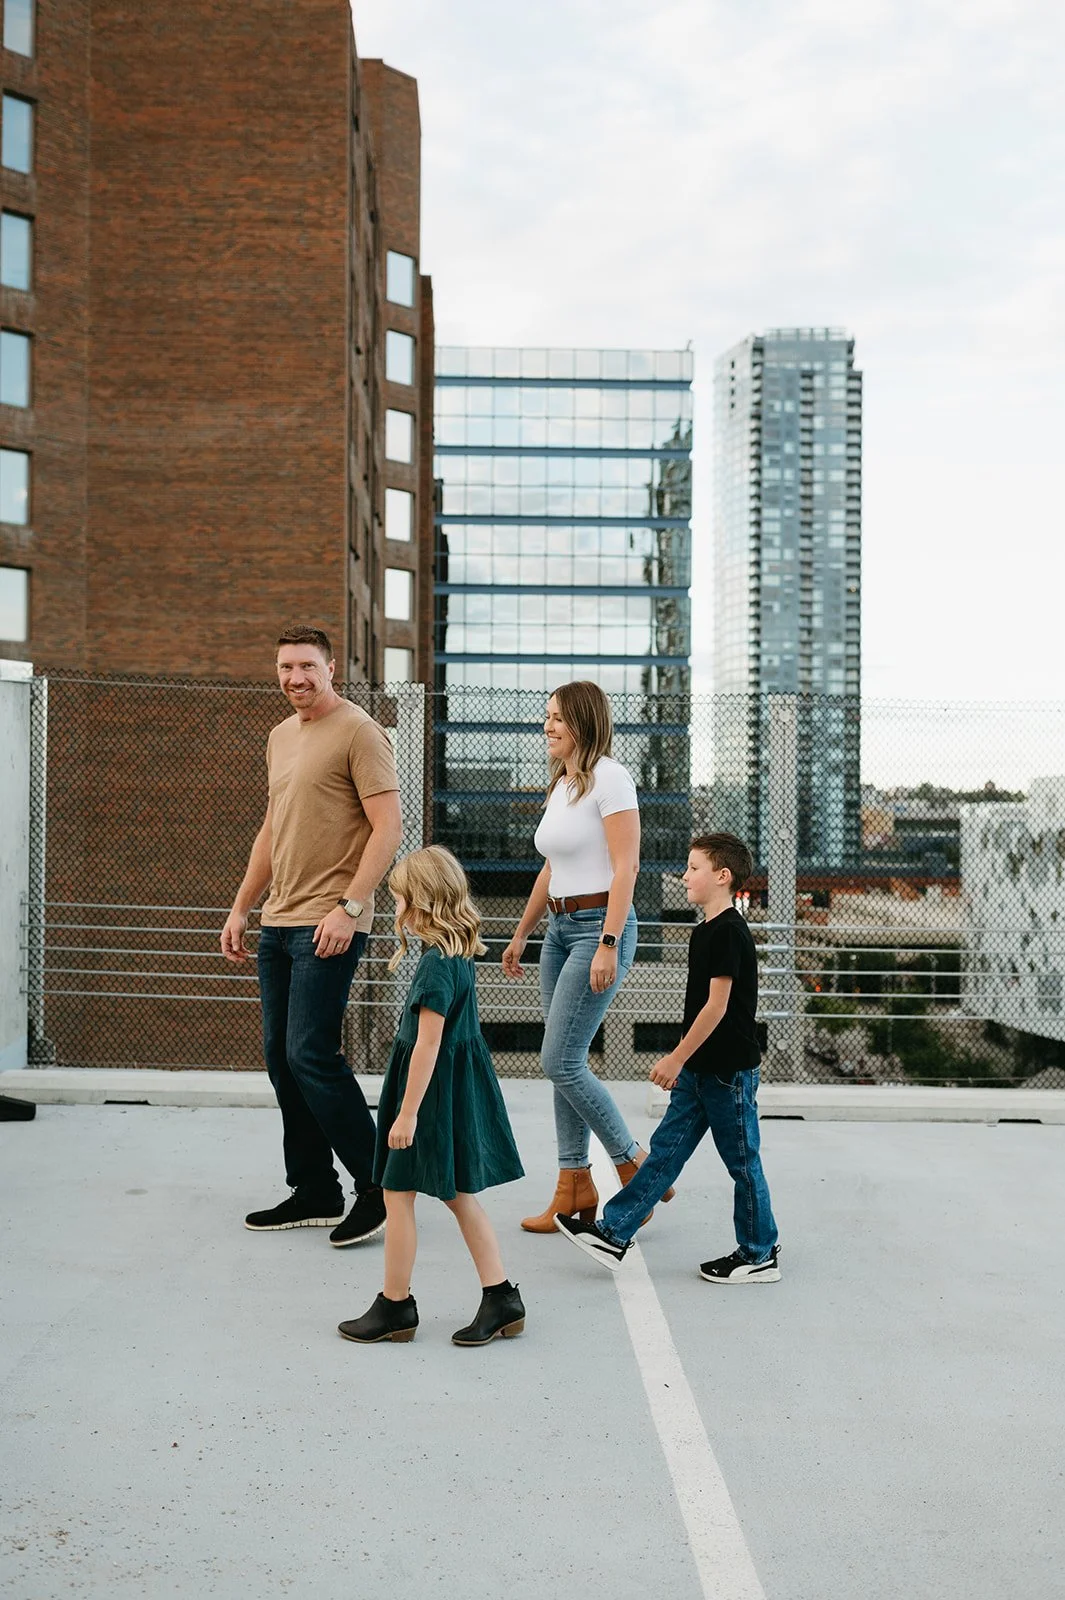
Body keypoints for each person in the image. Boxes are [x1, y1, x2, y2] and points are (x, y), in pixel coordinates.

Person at [221, 624, 403, 1247]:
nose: (295, 678)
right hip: (279, 920)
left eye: (306, 666)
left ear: (331, 668)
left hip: (330, 921)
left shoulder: (359, 731)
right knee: (281, 1058)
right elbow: (273, 830)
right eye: (285, 668)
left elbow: (388, 828)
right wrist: (242, 906)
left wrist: (351, 906)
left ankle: (378, 1188)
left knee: (310, 1054)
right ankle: (313, 1190)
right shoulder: (280, 737)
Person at [554, 832, 780, 1283]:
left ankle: (758, 1254)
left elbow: (717, 1007)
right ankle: (614, 1232)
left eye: (693, 868)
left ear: (722, 876)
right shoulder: (704, 931)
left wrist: (676, 1057)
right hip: (701, 1070)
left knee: (742, 1162)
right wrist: (686, 1062)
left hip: (728, 1073)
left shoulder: (730, 932)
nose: (684, 876)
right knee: (664, 1154)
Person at [338, 847, 525, 1346]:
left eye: (399, 900)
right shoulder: (456, 955)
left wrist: (406, 1114)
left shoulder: (435, 967)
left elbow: (428, 1043)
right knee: (458, 1194)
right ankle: (501, 1296)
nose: (396, 909)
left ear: (420, 904)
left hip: (429, 1098)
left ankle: (395, 1306)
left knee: (398, 1195)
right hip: (444, 1094)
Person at [501, 681, 669, 1232]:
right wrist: (522, 932)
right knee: (562, 1063)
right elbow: (551, 868)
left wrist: (609, 943)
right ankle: (572, 1188)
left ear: (584, 722)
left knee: (560, 1060)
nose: (546, 727)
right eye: (545, 717)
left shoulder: (612, 779)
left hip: (600, 926)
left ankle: (635, 1165)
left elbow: (627, 869)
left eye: (557, 719)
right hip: (557, 929)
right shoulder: (563, 785)